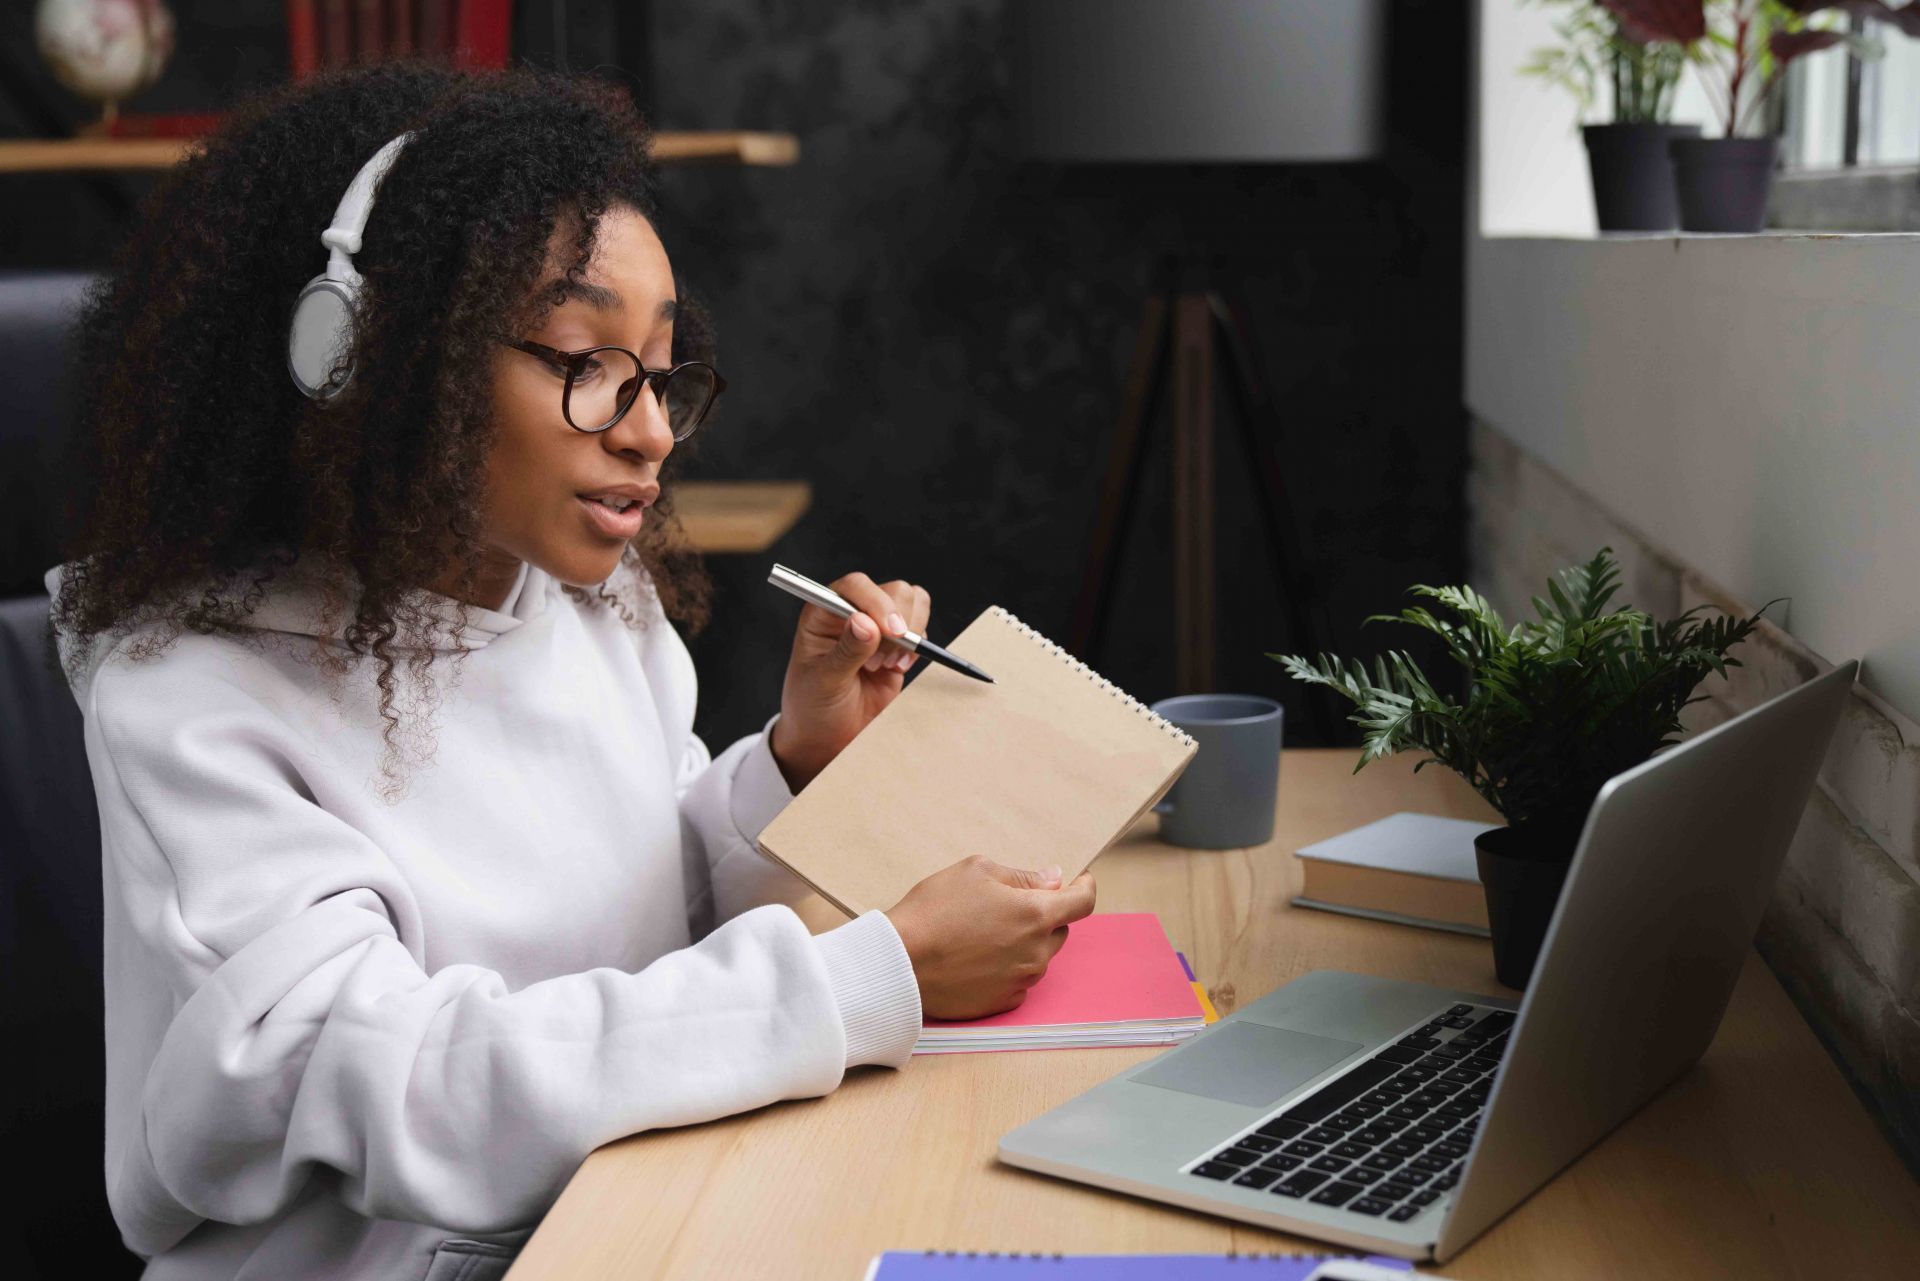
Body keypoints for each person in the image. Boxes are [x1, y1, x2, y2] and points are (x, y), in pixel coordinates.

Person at [46, 63, 1095, 1281]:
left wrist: (794, 760)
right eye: (586, 361)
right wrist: (868, 979)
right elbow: (399, 1083)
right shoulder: (189, 693)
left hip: (631, 1218)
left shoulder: (597, 606)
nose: (649, 427)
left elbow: (653, 911)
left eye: (660, 367)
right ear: (372, 358)